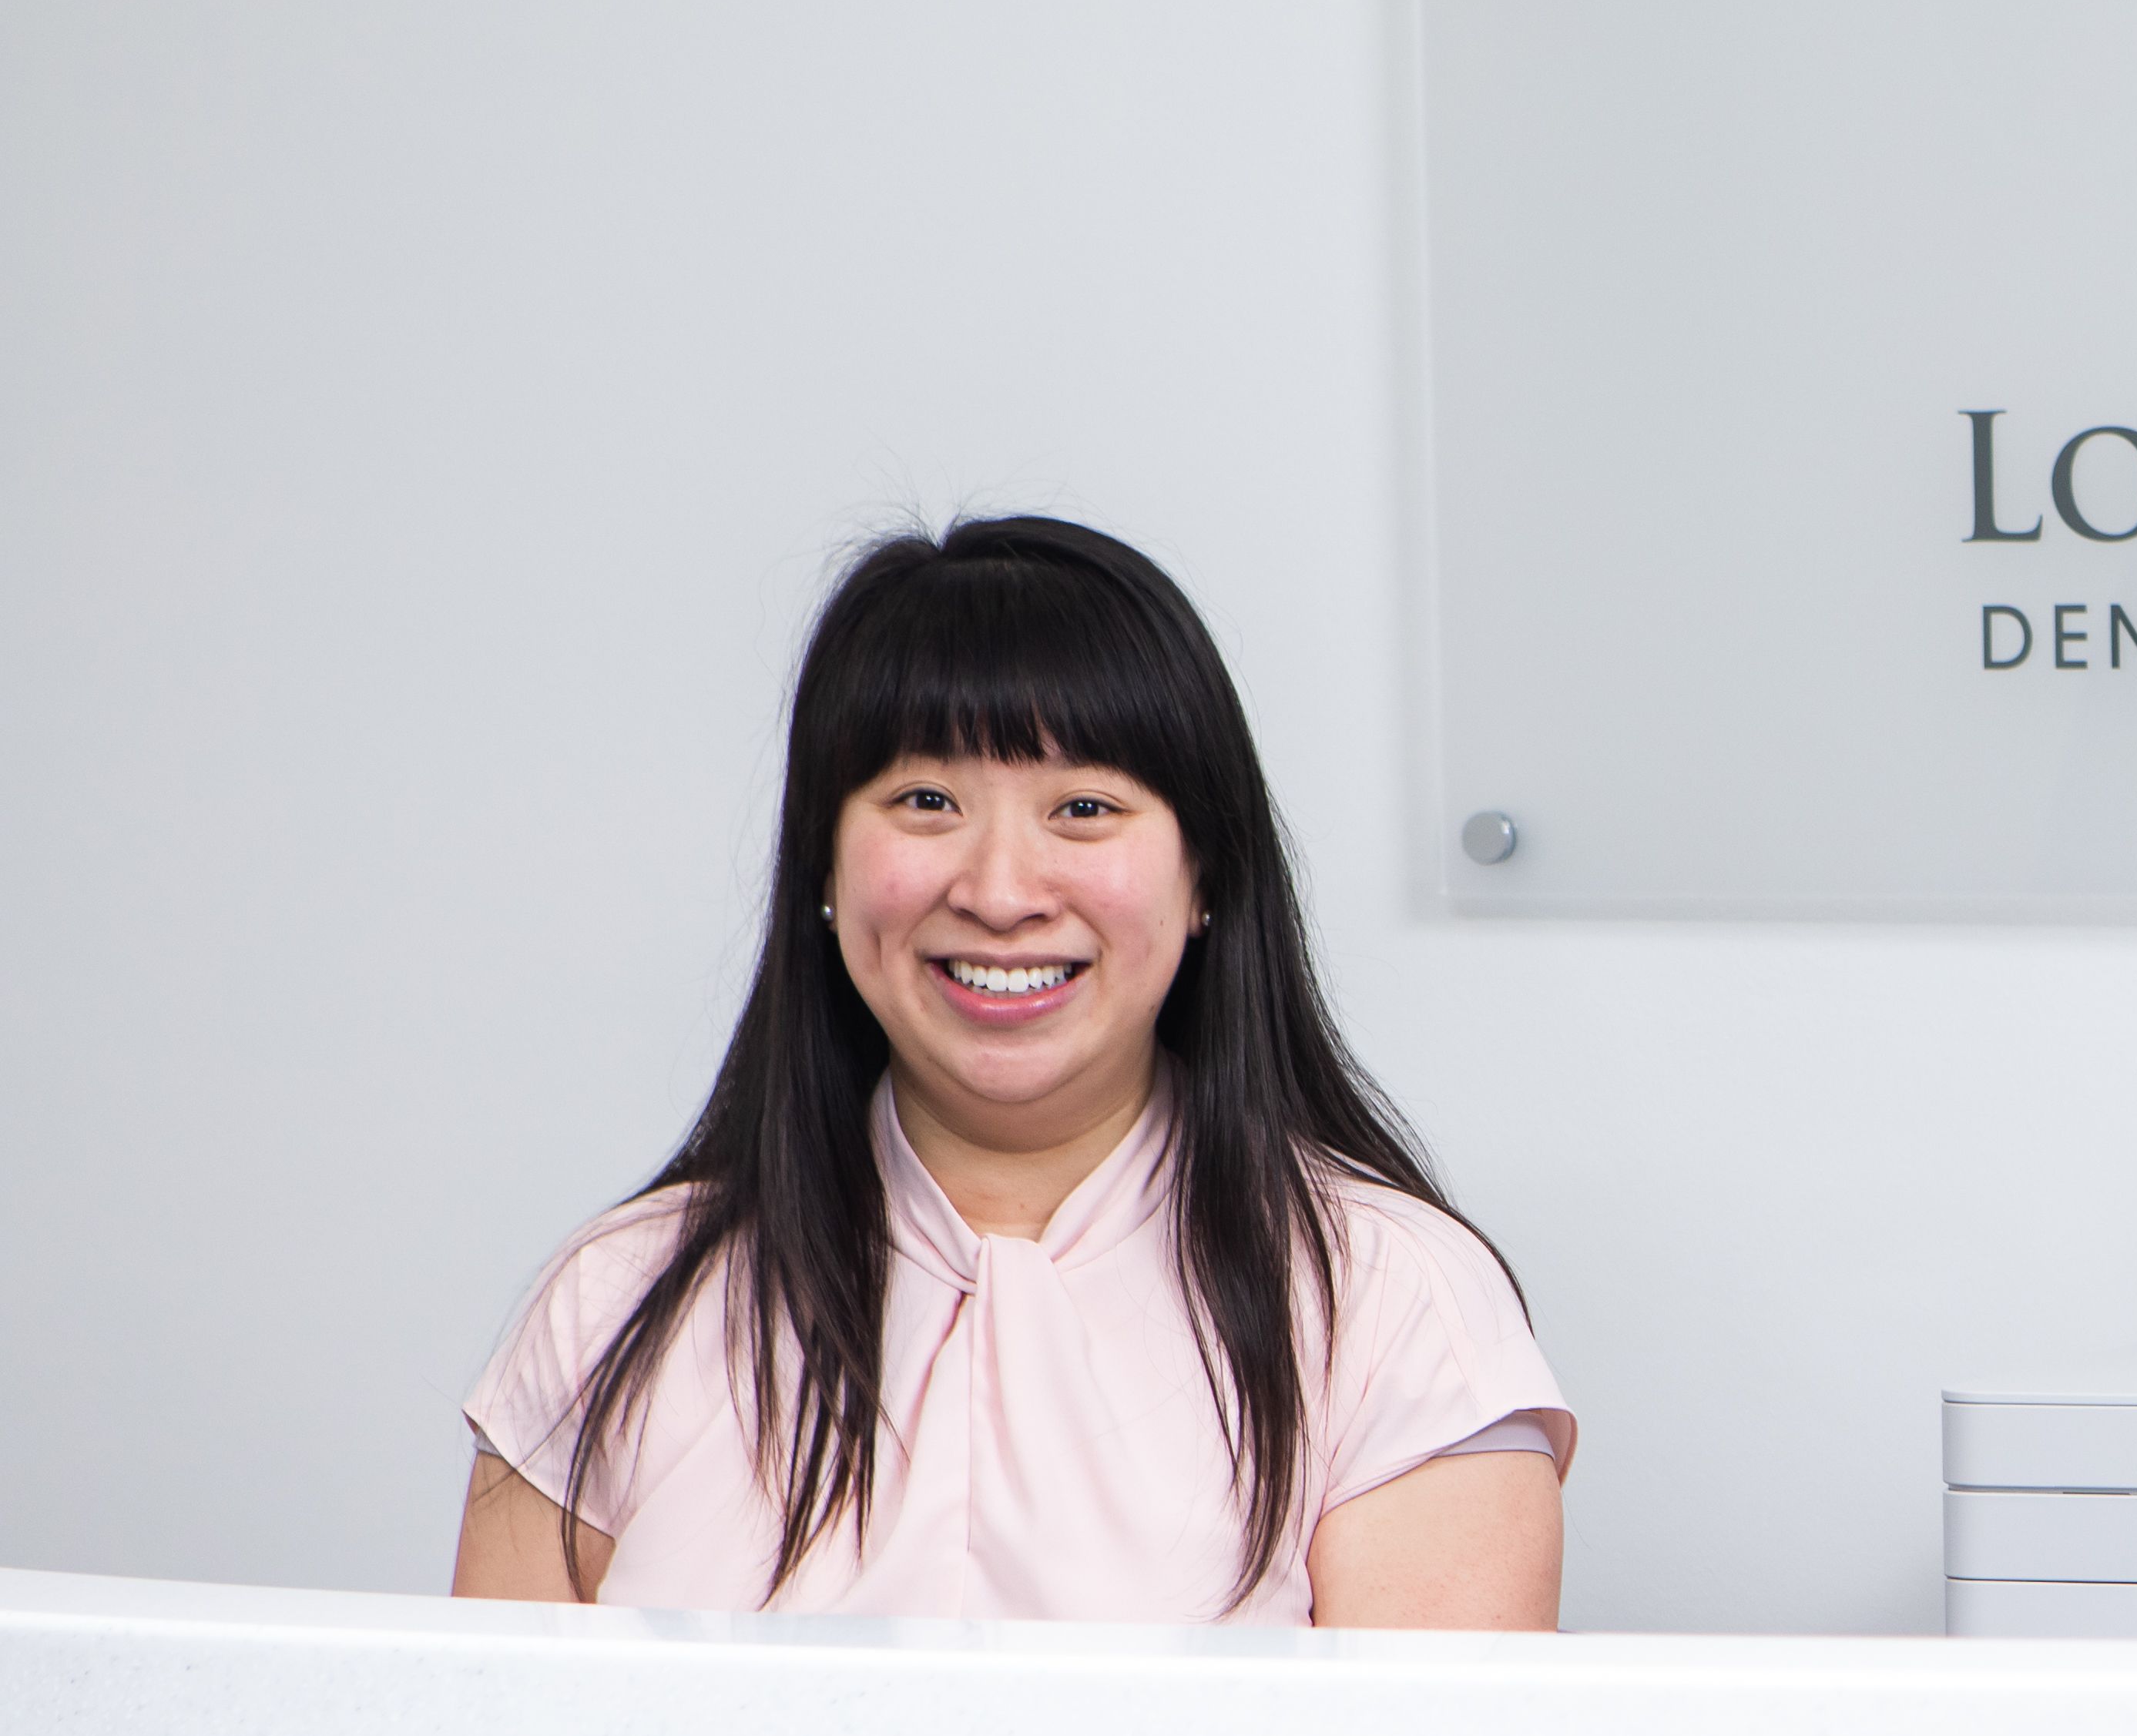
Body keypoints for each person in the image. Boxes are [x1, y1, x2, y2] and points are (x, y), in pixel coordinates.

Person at [455, 515, 1567, 1629]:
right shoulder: (621, 1303)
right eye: (925, 802)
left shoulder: (1389, 1303)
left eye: (1084, 808)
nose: (999, 890)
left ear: (1204, 877)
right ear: (825, 869)